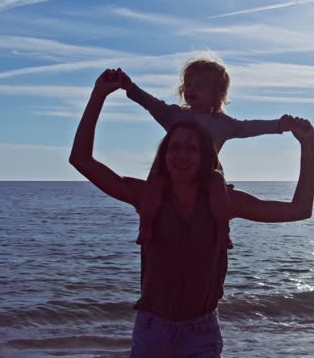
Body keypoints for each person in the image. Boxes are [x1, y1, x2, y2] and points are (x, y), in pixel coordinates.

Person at [69, 69, 314, 358]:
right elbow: (81, 160)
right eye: (174, 148)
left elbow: (299, 210)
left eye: (191, 149)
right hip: (152, 330)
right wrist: (99, 95)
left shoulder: (224, 201)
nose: (181, 155)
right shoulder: (148, 196)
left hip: (201, 334)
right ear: (164, 154)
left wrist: (307, 145)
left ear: (205, 158)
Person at [115, 59, 301, 250]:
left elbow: (249, 127)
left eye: (200, 86)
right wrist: (129, 86)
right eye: (188, 84)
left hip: (206, 177)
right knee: (155, 181)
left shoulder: (224, 124)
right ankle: (146, 226)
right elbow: (150, 103)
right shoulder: (174, 115)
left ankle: (222, 231)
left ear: (218, 95)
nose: (191, 89)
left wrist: (279, 126)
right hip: (173, 175)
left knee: (217, 183)